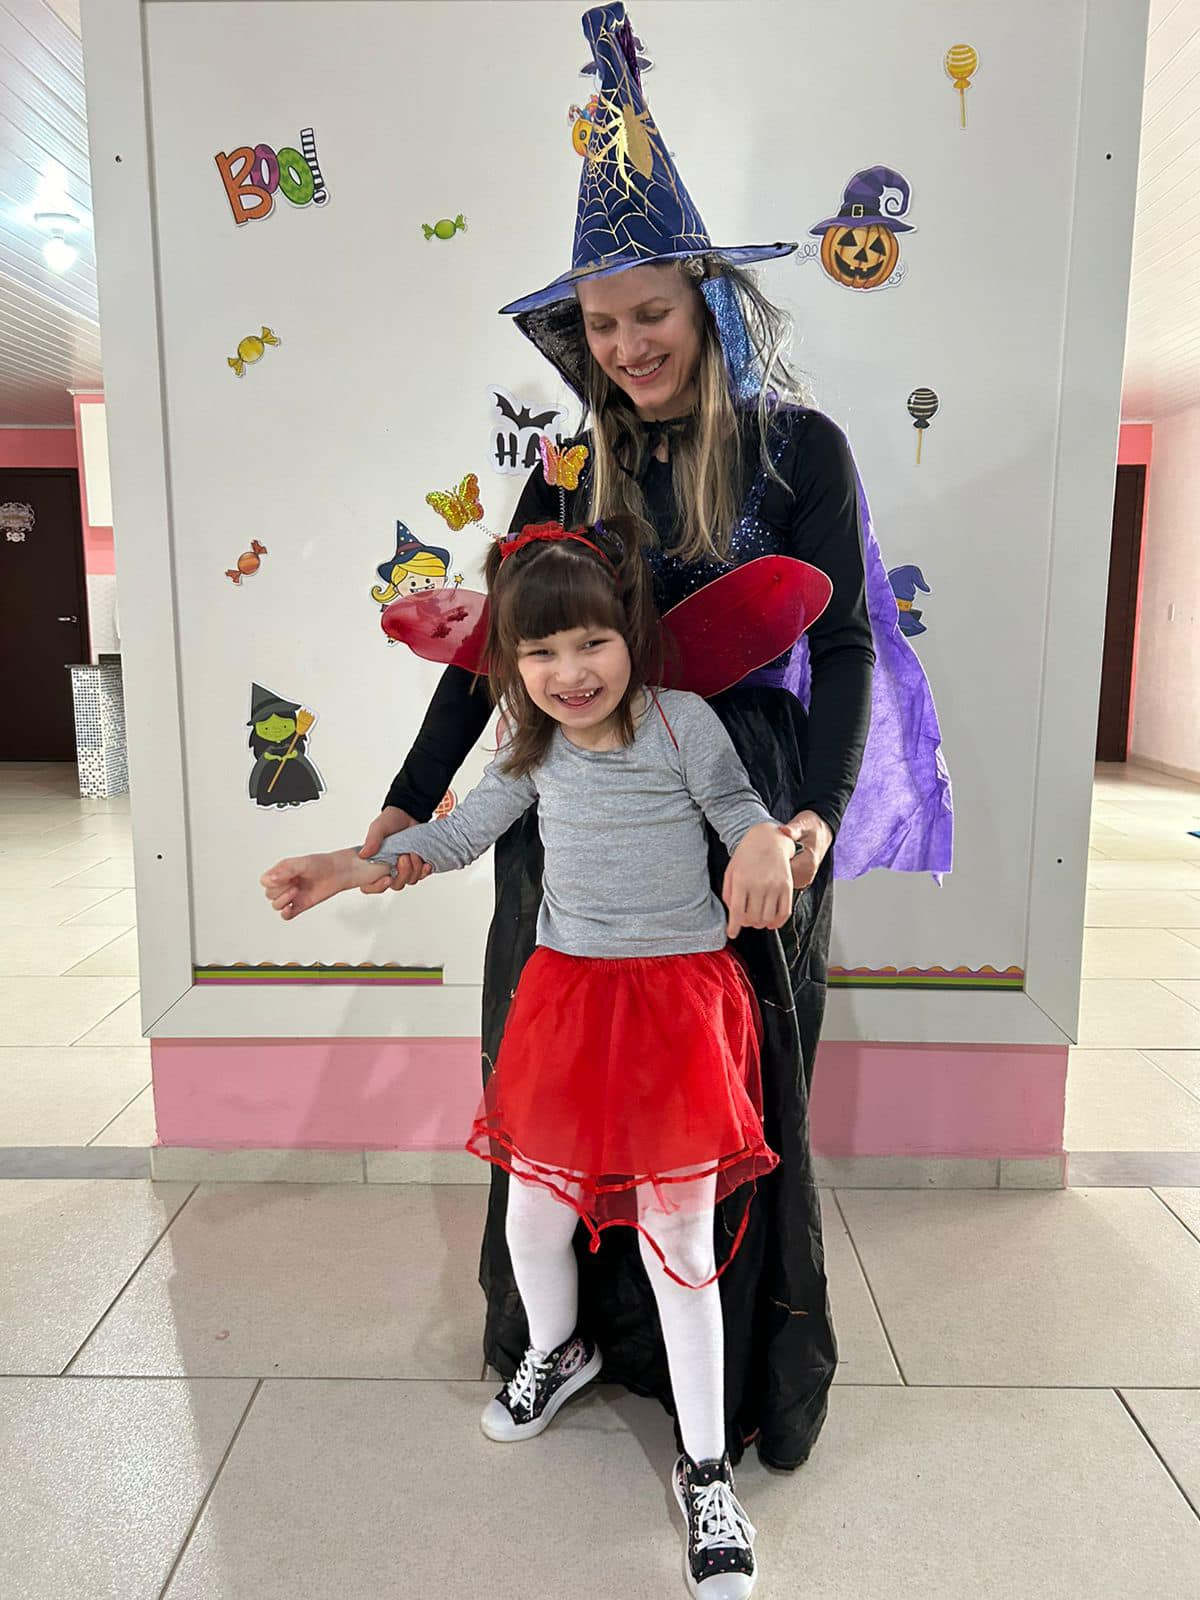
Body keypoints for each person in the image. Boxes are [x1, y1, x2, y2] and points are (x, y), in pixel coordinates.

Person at [362, 0, 951, 1485]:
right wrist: (409, 800)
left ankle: (722, 1376)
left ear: (707, 305)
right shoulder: (569, 468)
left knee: (723, 1103)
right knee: (562, 1086)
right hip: (573, 822)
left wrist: (811, 823)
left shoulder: (803, 448)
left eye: (652, 314)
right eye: (603, 322)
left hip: (746, 813)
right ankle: (568, 1340)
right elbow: (498, 651)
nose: (627, 344)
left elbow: (843, 643)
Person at [263, 518, 816, 1598]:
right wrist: (349, 863)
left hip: (677, 1011)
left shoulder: (686, 723)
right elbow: (456, 836)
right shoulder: (531, 745)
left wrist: (775, 843)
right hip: (566, 1004)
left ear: (631, 635)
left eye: (591, 643)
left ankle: (707, 1469)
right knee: (532, 1219)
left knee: (679, 1242)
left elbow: (743, 816)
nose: (570, 673)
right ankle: (560, 1349)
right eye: (540, 652)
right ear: (512, 664)